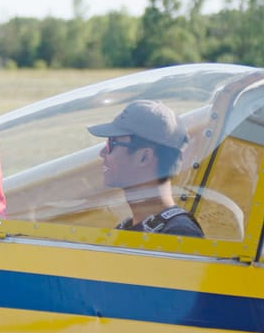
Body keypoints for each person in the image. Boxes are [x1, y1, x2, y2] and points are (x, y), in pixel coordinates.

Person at [87, 100, 203, 237]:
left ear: (144, 157)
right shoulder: (130, 227)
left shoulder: (179, 234)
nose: (103, 153)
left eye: (111, 144)